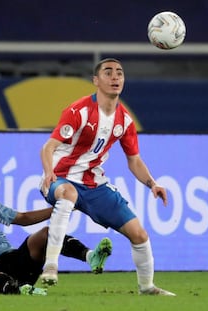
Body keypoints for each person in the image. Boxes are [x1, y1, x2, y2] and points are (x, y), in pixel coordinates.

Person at [39, 58, 175, 296]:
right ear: (95, 81)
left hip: (94, 185)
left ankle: (147, 287)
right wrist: (49, 172)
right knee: (68, 193)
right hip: (60, 178)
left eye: (120, 73)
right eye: (108, 72)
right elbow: (48, 147)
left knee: (139, 234)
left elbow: (134, 160)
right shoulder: (78, 111)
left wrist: (153, 183)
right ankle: (51, 266)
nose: (115, 77)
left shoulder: (125, 120)